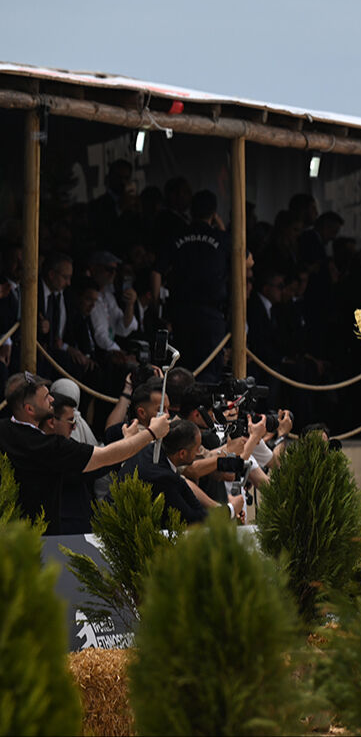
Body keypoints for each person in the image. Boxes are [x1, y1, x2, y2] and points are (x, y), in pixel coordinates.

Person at [0, 372, 171, 534]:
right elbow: (102, 457)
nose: (52, 399)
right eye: (46, 398)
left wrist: (128, 441)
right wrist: (151, 433)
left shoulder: (4, 429)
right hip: (36, 538)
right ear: (29, 409)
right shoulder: (48, 447)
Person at [120, 418, 244, 523]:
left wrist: (220, 508)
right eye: (197, 449)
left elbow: (185, 485)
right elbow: (194, 520)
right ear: (182, 454)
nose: (199, 452)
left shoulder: (151, 450)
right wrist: (231, 510)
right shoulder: (163, 477)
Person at [166, 190, 230, 380]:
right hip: (210, 314)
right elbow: (247, 260)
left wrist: (157, 305)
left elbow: (157, 271)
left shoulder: (177, 235)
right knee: (209, 373)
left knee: (183, 369)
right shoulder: (221, 238)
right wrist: (221, 229)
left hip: (181, 312)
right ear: (214, 214)